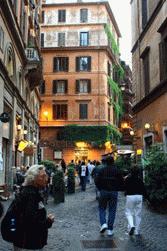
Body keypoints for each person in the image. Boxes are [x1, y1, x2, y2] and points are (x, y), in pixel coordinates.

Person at [12, 164, 54, 251]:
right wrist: (48, 221)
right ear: (33, 179)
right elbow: (30, 221)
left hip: (26, 242)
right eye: (43, 176)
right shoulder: (31, 194)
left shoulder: (30, 191)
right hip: (28, 243)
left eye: (46, 175)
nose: (46, 179)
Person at [95, 154, 124, 236]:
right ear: (113, 162)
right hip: (114, 192)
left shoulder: (102, 170)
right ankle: (110, 230)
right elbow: (122, 182)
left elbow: (96, 181)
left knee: (102, 208)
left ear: (105, 162)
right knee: (112, 210)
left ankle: (103, 223)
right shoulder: (117, 170)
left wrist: (100, 188)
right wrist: (117, 188)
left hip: (103, 191)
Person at [124, 164, 146, 236]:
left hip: (130, 196)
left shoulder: (128, 178)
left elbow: (124, 187)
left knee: (129, 212)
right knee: (138, 214)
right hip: (139, 196)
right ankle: (137, 231)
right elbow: (143, 188)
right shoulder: (140, 179)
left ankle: (131, 226)